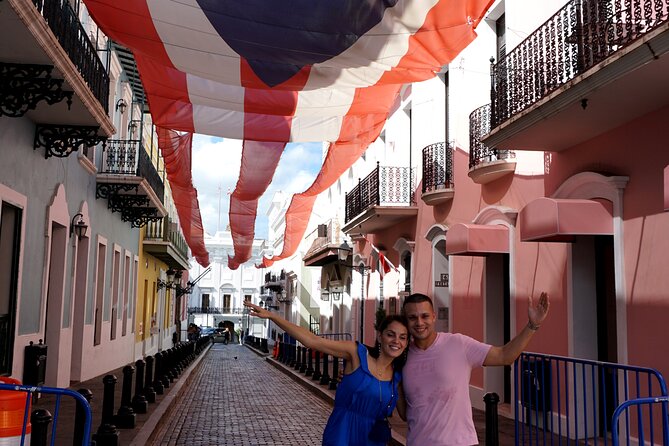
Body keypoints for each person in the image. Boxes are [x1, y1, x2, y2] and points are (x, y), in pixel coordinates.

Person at [244, 301, 409, 446]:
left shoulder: (398, 377)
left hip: (373, 439)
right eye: (390, 334)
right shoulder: (357, 353)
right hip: (342, 434)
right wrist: (273, 316)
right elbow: (313, 341)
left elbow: (407, 415)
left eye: (402, 337)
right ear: (380, 337)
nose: (396, 341)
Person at [397, 291, 549, 446]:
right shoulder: (402, 357)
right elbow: (406, 414)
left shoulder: (458, 344)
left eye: (425, 316)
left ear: (434, 316)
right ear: (406, 321)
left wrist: (532, 325)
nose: (419, 322)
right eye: (412, 318)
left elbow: (504, 355)